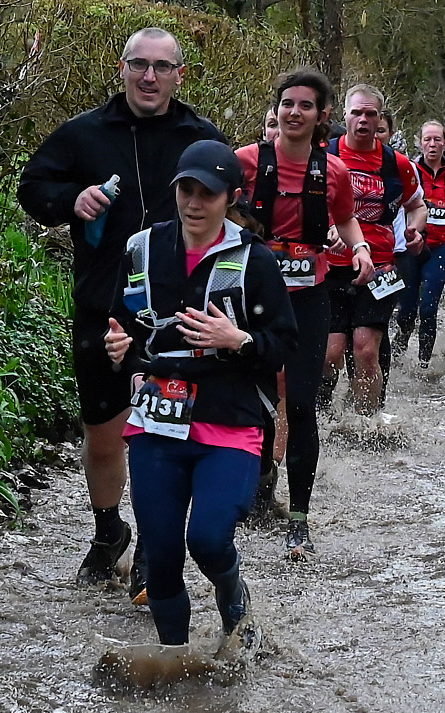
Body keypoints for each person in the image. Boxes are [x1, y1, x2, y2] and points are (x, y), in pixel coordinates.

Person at [17, 28, 226, 600]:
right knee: (104, 432)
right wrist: (72, 200)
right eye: (139, 65)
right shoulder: (84, 132)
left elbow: (233, 206)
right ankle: (109, 531)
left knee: (165, 431)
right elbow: (32, 186)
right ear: (122, 68)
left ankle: (156, 544)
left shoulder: (200, 137)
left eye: (162, 67)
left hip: (178, 311)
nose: (149, 77)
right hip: (102, 303)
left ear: (180, 75)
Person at [105, 140, 297, 646]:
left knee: (208, 540)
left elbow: (284, 343)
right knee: (162, 556)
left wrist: (239, 340)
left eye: (207, 193)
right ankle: (175, 661)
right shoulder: (142, 248)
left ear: (230, 197)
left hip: (230, 418)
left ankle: (234, 597)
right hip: (157, 421)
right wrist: (118, 347)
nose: (193, 203)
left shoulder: (254, 259)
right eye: (185, 190)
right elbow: (124, 327)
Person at [236, 69, 374, 559]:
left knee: (299, 405)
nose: (294, 113)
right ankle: (260, 484)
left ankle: (299, 520)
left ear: (322, 116)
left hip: (309, 298)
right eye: (287, 104)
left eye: (305, 106)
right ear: (276, 111)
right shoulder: (245, 162)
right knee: (254, 402)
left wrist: (359, 248)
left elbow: (345, 218)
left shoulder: (332, 171)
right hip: (253, 297)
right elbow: (210, 210)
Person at [323, 84, 426, 416]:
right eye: (356, 113)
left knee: (365, 349)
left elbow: (417, 205)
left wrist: (415, 229)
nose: (363, 120)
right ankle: (321, 418)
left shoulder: (397, 163)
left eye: (370, 114)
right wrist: (325, 230)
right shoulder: (325, 155)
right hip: (330, 266)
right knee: (330, 354)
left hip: (380, 267)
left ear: (380, 118)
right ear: (345, 115)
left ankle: (367, 423)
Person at [393, 121, 445, 367]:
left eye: (437, 139)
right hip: (409, 249)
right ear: (420, 143)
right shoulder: (409, 170)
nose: (432, 144)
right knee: (407, 311)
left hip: (438, 249)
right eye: (427, 139)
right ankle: (399, 349)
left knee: (429, 308)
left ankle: (424, 366)